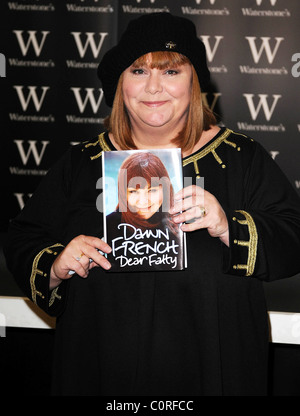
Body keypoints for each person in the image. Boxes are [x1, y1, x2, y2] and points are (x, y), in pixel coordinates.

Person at [4, 12, 300, 396]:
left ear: (193, 82)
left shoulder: (240, 157)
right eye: (139, 71)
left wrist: (229, 226)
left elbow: (294, 235)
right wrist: (57, 264)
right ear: (120, 84)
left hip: (214, 368)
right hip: (101, 367)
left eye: (172, 72)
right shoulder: (83, 161)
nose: (155, 87)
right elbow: (23, 238)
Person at [105, 151, 183, 271]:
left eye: (152, 190)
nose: (143, 201)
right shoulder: (108, 226)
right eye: (134, 191)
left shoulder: (180, 221)